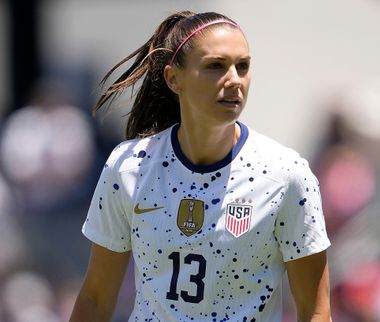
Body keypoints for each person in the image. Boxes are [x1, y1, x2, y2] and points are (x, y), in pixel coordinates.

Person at [70, 10, 332, 322]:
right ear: (173, 78)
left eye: (243, 66)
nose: (234, 79)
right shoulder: (128, 168)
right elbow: (96, 298)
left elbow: (315, 311)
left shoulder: (286, 175)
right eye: (216, 66)